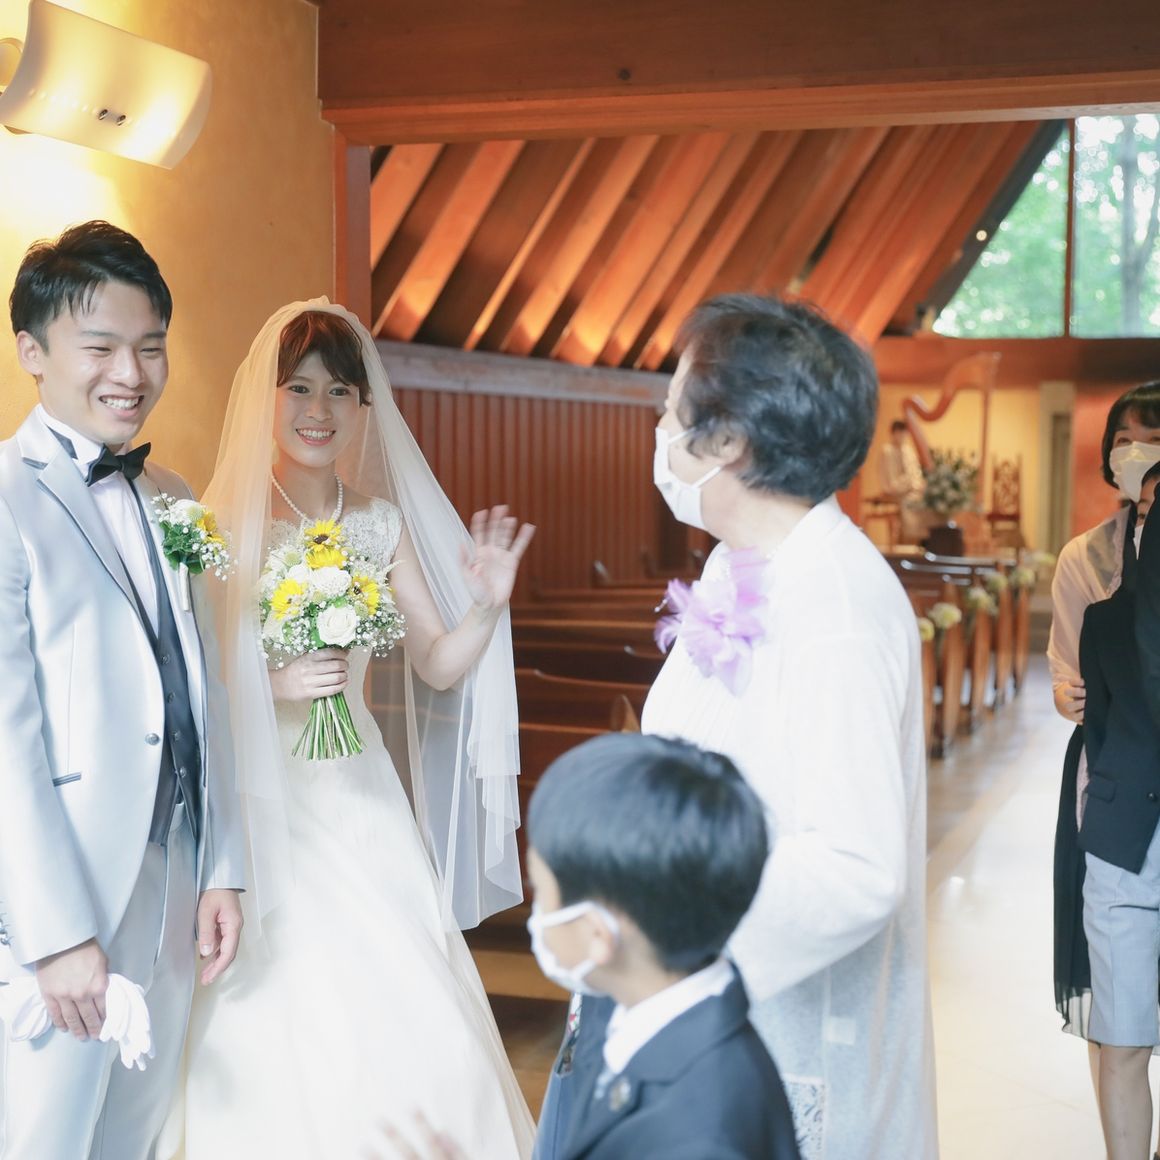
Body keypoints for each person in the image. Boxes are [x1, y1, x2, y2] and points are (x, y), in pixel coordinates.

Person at [162, 301, 537, 1159]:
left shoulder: (378, 521)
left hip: (359, 788)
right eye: (298, 387)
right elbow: (188, 679)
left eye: (339, 390)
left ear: (366, 407)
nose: (318, 409)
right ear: (267, 398)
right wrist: (272, 681)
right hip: (264, 794)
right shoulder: (221, 521)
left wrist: (486, 606)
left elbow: (438, 663)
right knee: (275, 985)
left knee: (401, 978)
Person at [640, 294, 936, 1158]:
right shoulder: (746, 565)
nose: (659, 433)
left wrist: (663, 944)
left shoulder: (834, 608)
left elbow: (854, 869)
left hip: (783, 1023)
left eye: (672, 412)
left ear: (729, 440)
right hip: (715, 1013)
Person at [0, 221, 245, 1158]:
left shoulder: (172, 495)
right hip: (62, 901)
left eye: (151, 347)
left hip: (171, 885)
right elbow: (7, 738)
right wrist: (54, 933)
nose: (130, 374)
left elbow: (204, 690)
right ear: (33, 351)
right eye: (100, 347)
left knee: (133, 1140)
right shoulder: (7, 497)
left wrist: (220, 865)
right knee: (45, 1139)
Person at [377, 733, 801, 1160]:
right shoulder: (648, 1022)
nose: (537, 915)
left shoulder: (702, 1134)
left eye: (542, 893)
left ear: (598, 935)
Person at [1048, 382, 1160, 1145]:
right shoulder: (1085, 558)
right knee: (1121, 1029)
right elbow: (1067, 672)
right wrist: (1069, 693)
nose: (1137, 452)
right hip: (1118, 792)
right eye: (1124, 439)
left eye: (1151, 437)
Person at [1078, 460, 1160, 1160]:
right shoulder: (1105, 622)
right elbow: (1098, 735)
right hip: (1124, 844)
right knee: (1124, 1038)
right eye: (1149, 512)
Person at [877, 417, 927, 543]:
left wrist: (916, 484)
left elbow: (915, 472)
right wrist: (907, 483)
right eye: (899, 433)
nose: (902, 436)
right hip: (894, 489)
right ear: (893, 433)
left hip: (910, 488)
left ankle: (920, 538)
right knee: (911, 501)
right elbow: (891, 479)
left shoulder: (908, 450)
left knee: (925, 499)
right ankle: (909, 539)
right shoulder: (887, 451)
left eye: (904, 433)